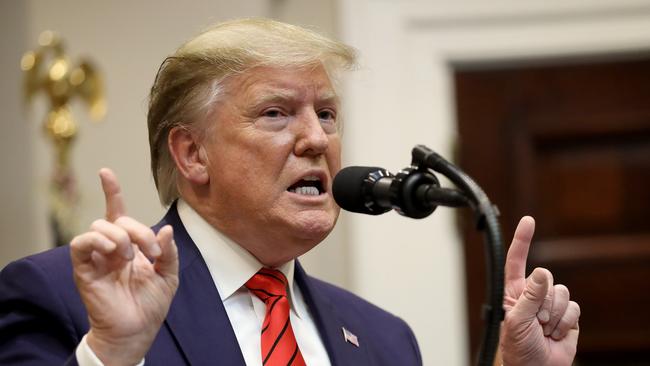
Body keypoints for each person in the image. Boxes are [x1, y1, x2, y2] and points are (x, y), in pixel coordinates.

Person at [0, 18, 579, 365]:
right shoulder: (63, 297)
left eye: (327, 114)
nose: (315, 138)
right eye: (276, 113)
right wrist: (112, 352)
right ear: (192, 153)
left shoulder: (383, 339)